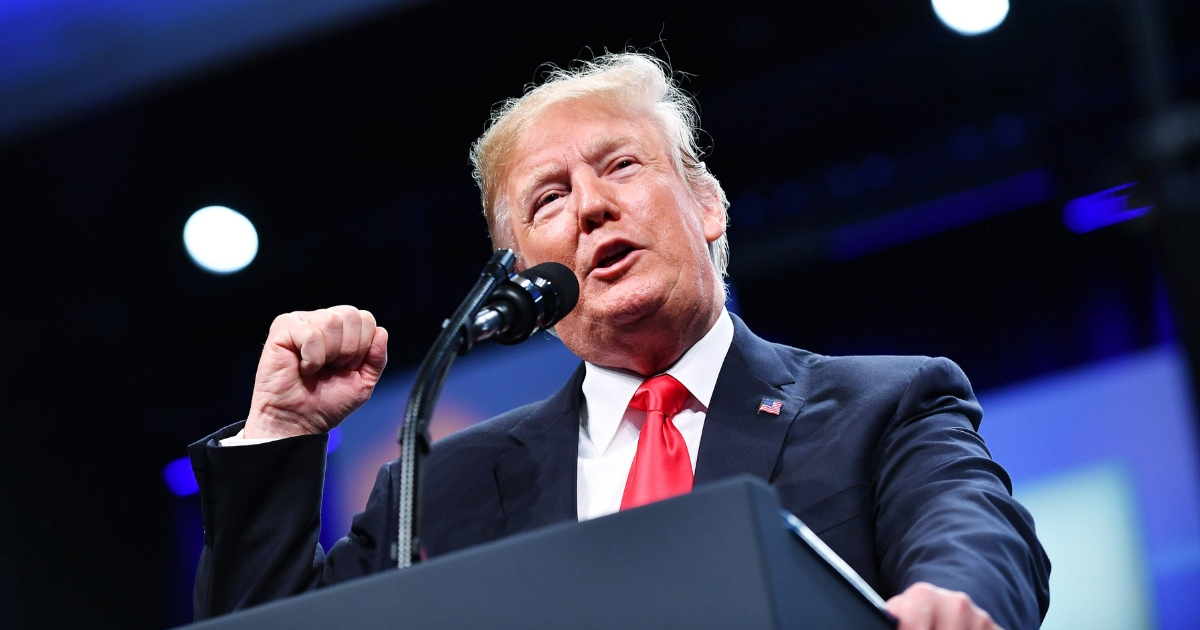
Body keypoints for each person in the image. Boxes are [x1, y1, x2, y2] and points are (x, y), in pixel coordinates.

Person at [189, 53, 1050, 629]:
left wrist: (952, 600)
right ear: (522, 274)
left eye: (622, 166)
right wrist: (283, 431)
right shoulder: (439, 489)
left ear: (707, 204)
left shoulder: (884, 406)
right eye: (548, 199)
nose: (592, 206)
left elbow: (972, 529)